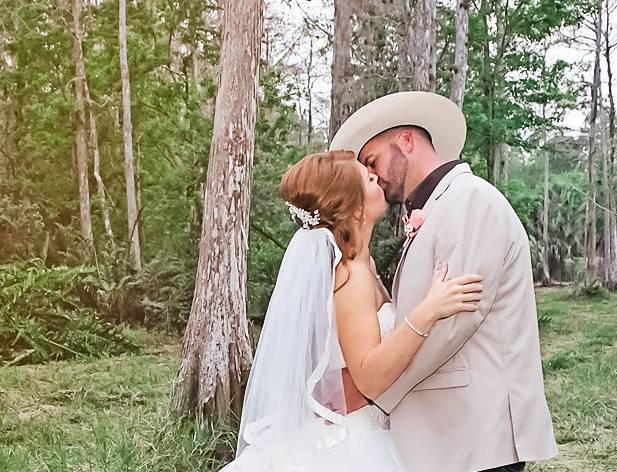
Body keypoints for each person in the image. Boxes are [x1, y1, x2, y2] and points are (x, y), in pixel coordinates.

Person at [328, 91, 558, 471]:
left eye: (373, 161)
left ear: (405, 142)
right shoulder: (437, 207)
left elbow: (452, 324)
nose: (374, 176)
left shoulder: (470, 200)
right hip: (446, 438)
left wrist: (373, 391)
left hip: (479, 437)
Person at [219, 150, 484, 471]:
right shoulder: (349, 275)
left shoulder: (361, 265)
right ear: (353, 207)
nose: (376, 177)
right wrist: (429, 310)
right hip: (352, 440)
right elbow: (368, 377)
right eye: (367, 178)